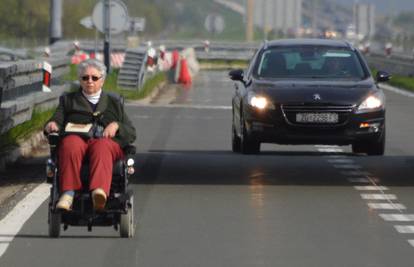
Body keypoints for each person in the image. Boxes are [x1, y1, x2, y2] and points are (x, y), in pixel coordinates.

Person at [44, 59, 136, 211]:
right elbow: (56, 120)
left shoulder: (114, 103)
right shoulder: (68, 100)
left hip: (105, 143)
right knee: (70, 143)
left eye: (94, 78)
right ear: (80, 80)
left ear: (102, 80)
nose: (90, 81)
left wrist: (117, 125)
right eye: (85, 78)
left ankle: (99, 193)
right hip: (77, 140)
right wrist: (51, 125)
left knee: (102, 146)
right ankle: (67, 194)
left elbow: (131, 132)